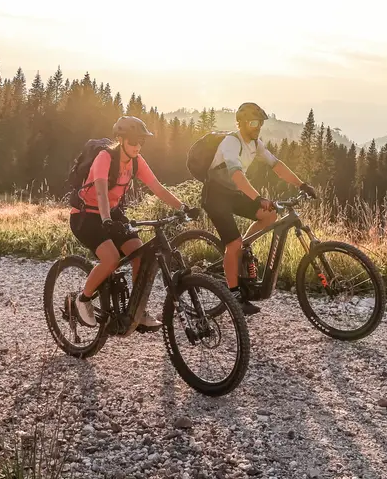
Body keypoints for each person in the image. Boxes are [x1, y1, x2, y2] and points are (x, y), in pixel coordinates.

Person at [70, 115, 197, 330]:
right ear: (121, 139)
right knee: (110, 259)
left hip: (112, 215)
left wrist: (183, 207)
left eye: (142, 142)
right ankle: (82, 299)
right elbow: (100, 191)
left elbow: (157, 187)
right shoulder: (105, 158)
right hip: (86, 216)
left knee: (140, 253)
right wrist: (106, 220)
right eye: (133, 141)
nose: (138, 146)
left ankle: (136, 310)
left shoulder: (137, 162)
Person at [201, 102, 316, 315]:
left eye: (260, 123)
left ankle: (242, 250)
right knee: (232, 244)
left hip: (234, 193)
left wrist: (302, 184)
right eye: (253, 123)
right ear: (242, 123)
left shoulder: (255, 144)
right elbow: (236, 174)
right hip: (216, 196)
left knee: (269, 215)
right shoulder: (231, 142)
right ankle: (234, 295)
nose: (257, 127)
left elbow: (277, 165)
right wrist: (258, 197)